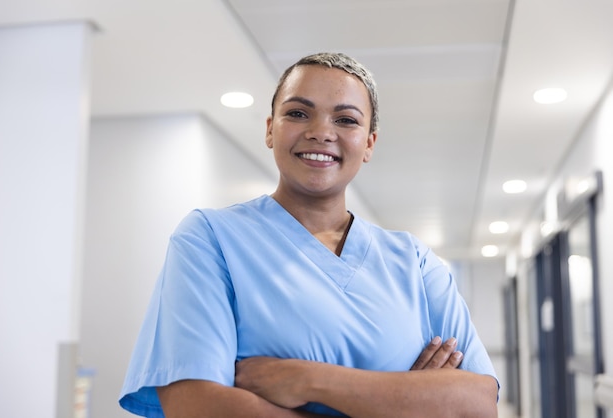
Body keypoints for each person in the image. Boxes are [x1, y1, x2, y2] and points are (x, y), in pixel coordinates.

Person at [119, 52, 499, 417]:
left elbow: (478, 404)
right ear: (270, 130)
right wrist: (409, 402)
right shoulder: (211, 239)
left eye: (346, 120)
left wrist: (306, 380)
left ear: (369, 143)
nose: (320, 133)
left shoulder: (413, 261)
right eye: (298, 113)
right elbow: (196, 407)